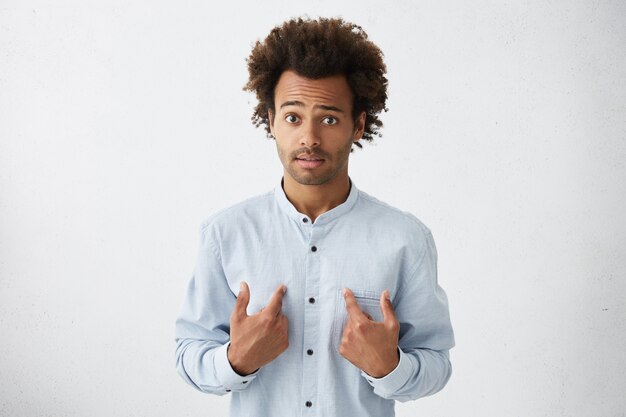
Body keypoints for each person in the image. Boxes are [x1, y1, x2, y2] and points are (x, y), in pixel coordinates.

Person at [174, 17, 455, 417]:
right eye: (292, 117)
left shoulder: (405, 238)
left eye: (328, 118)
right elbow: (188, 352)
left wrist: (389, 367)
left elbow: (437, 362)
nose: (309, 137)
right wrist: (236, 360)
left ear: (358, 125)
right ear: (270, 120)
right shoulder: (225, 234)